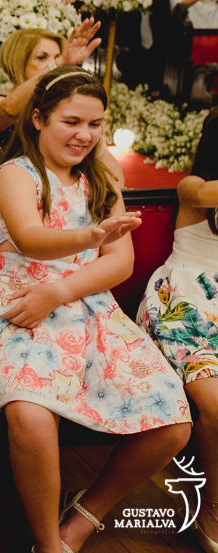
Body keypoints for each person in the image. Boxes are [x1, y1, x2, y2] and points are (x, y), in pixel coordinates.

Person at [0, 67, 191, 553]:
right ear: (39, 118)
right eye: (71, 121)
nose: (84, 135)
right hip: (18, 301)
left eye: (95, 124)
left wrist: (61, 292)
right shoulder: (16, 173)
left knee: (173, 424)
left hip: (85, 308)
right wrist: (90, 238)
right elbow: (33, 240)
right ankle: (47, 543)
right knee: (32, 414)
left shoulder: (101, 178)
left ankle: (81, 518)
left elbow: (120, 262)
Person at [137, 108, 218, 551]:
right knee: (215, 403)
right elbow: (205, 190)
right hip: (183, 299)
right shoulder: (194, 187)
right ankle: (212, 509)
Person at [0, 23, 105, 181]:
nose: (53, 63)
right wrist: (58, 63)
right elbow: (8, 110)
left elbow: (103, 165)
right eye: (42, 57)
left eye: (57, 56)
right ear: (18, 62)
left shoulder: (65, 109)